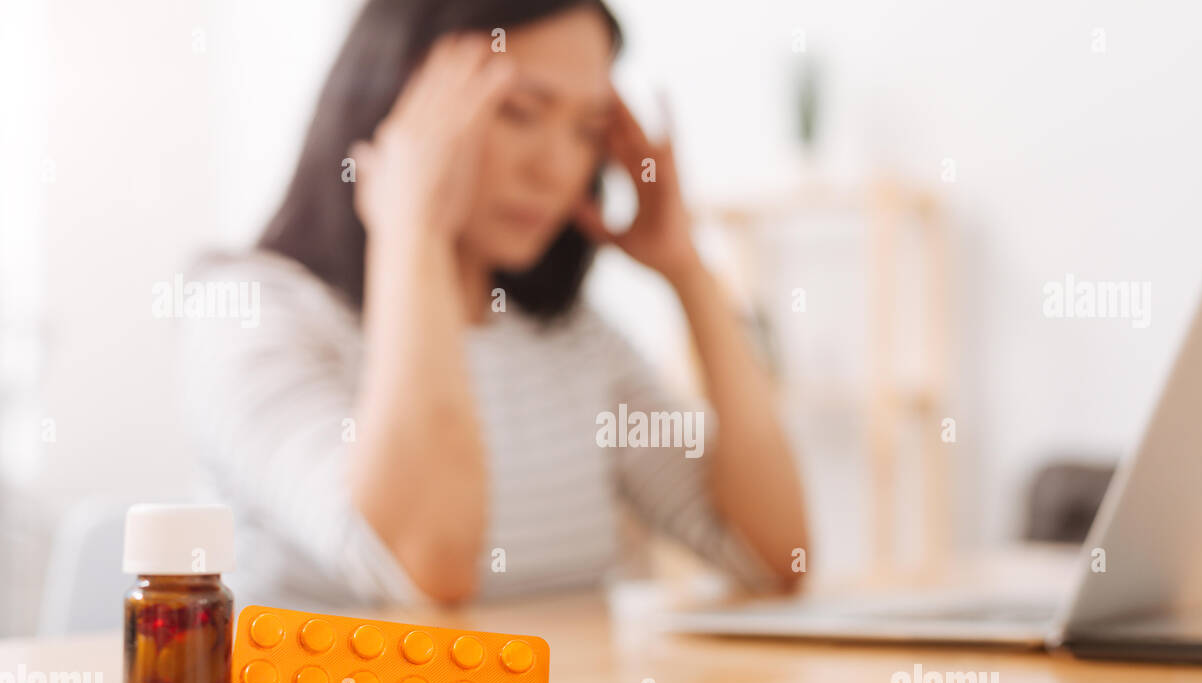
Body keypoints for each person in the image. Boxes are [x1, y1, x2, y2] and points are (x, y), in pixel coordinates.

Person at [186, 0, 807, 608]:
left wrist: (687, 270)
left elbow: (776, 556)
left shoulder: (572, 337)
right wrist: (412, 233)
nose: (557, 168)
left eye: (587, 130)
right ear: (400, 104)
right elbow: (429, 566)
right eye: (518, 111)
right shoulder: (255, 313)